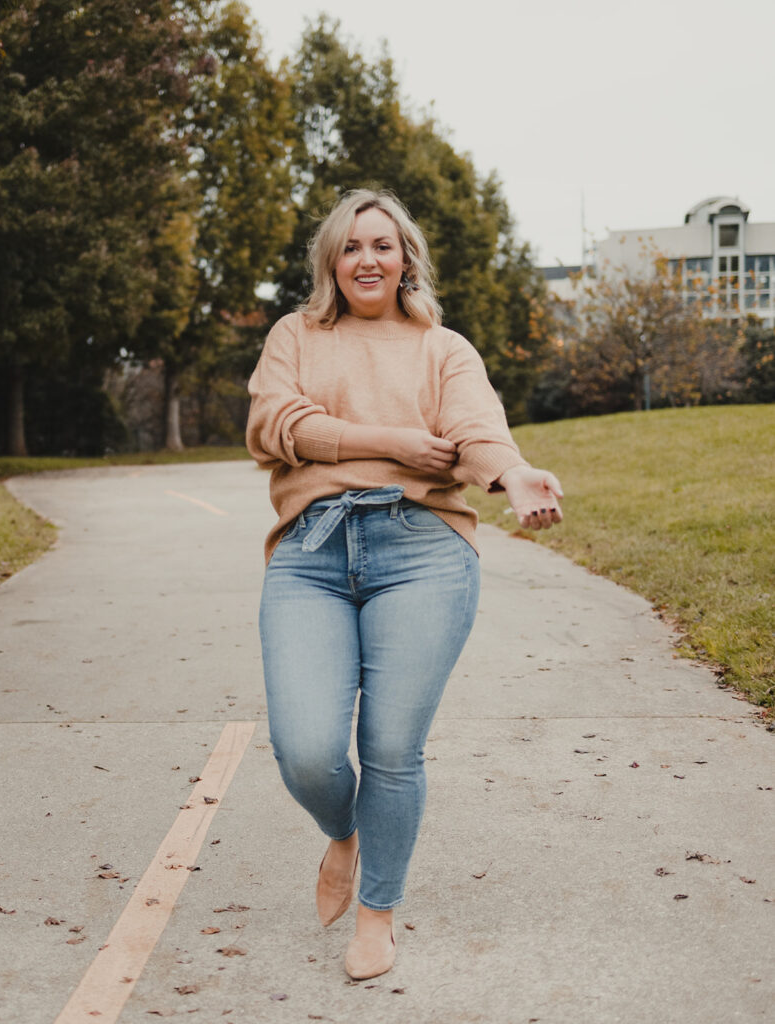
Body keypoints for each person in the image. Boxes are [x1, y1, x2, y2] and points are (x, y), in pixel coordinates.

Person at [246, 189, 562, 980]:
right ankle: (344, 834)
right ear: (331, 260)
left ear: (405, 257)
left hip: (421, 550)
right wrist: (385, 439)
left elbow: (474, 433)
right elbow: (271, 425)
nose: (367, 259)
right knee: (307, 749)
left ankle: (376, 913)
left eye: (382, 245)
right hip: (311, 551)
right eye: (351, 246)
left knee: (390, 748)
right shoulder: (296, 335)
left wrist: (513, 475)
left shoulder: (441, 349)